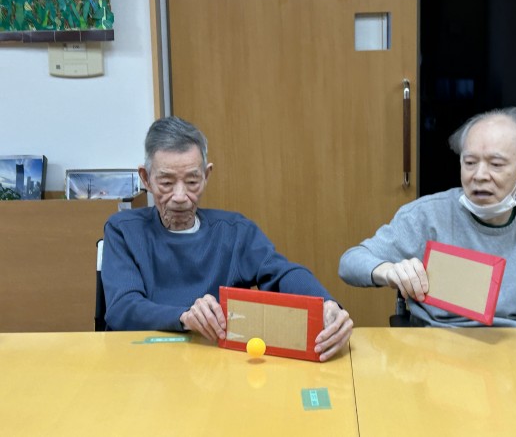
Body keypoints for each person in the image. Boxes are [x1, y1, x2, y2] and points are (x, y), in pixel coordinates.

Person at [102, 116, 353, 361]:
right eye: (166, 182)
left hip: (217, 365)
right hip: (147, 365)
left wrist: (327, 305)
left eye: (192, 181)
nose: (180, 196)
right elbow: (122, 307)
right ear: (146, 178)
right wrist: (184, 317)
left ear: (206, 176)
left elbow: (282, 272)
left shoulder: (234, 231)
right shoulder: (124, 230)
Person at [339, 106, 516, 327]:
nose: (479, 175)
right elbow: (350, 262)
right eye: (470, 163)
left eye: (496, 164)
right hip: (437, 340)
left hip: (510, 343)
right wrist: (389, 271)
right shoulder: (426, 215)